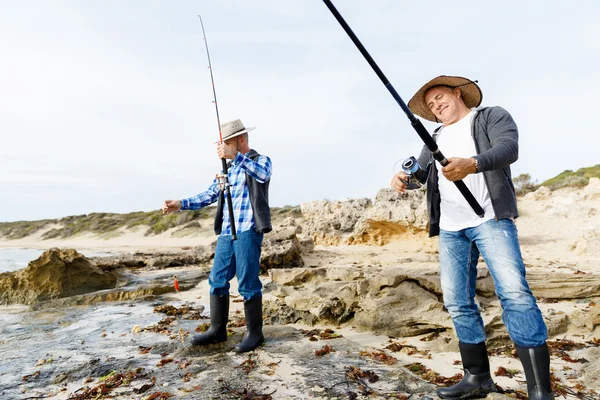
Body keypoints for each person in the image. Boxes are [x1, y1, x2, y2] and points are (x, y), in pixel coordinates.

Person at [391, 76, 553, 400]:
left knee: (514, 295)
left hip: (491, 219)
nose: (436, 106)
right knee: (457, 301)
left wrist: (472, 165)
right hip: (452, 228)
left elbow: (509, 149)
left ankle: (539, 390)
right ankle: (477, 377)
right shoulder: (434, 137)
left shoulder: (490, 117)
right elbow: (421, 177)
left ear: (456, 92)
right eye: (431, 105)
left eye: (439, 97)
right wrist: (403, 179)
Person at [163, 118, 272, 353]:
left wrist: (236, 157)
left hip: (247, 232)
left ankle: (255, 333)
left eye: (227, 143)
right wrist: (180, 204)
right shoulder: (228, 170)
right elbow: (209, 195)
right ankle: (217, 329)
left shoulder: (258, 161)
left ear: (240, 140)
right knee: (217, 281)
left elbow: (263, 175)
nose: (221, 148)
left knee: (248, 284)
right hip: (225, 233)